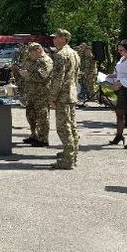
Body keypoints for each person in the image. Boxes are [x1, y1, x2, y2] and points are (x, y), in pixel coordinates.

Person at [48, 29, 81, 169]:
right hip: (71, 94)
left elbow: (58, 79)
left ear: (63, 39)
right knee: (72, 126)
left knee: (63, 127)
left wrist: (52, 98)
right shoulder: (74, 53)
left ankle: (68, 160)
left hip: (62, 95)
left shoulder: (61, 55)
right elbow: (76, 75)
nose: (54, 40)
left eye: (56, 38)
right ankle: (72, 155)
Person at [19, 43, 53, 147]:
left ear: (38, 50)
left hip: (42, 94)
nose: (30, 54)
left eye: (31, 52)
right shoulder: (32, 59)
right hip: (31, 93)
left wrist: (27, 75)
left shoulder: (45, 61)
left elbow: (42, 76)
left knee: (42, 116)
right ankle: (34, 135)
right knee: (30, 115)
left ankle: (43, 138)